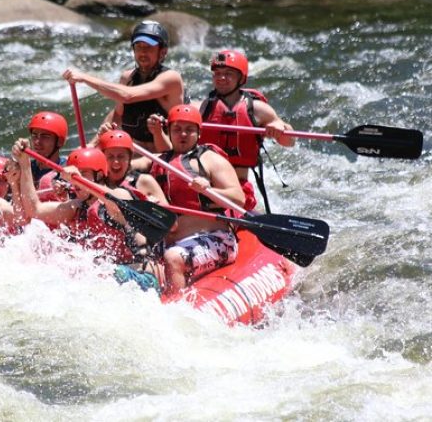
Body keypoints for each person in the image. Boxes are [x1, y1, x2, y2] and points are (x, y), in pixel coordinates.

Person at [12, 140, 162, 291]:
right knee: (61, 265)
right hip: (105, 278)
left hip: (143, 278)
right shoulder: (77, 207)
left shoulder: (118, 195)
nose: (76, 181)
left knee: (105, 270)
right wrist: (25, 165)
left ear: (99, 175)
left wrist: (81, 181)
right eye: (76, 175)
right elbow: (35, 210)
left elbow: (115, 201)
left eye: (84, 174)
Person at [136, 104, 246, 294]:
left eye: (189, 130)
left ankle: (175, 308)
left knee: (173, 258)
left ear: (199, 133)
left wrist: (209, 190)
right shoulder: (158, 160)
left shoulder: (210, 159)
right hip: (171, 239)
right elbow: (121, 163)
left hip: (216, 240)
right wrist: (111, 142)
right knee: (139, 260)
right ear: (169, 132)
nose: (183, 135)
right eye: (177, 129)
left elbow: (238, 199)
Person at [62, 20, 184, 151]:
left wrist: (84, 77)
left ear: (163, 52)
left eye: (148, 47)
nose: (142, 53)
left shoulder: (171, 78)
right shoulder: (128, 78)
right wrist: (93, 144)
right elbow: (118, 114)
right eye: (138, 47)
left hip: (166, 154)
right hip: (135, 151)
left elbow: (128, 96)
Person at [198, 49, 295, 212]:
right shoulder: (203, 107)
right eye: (218, 73)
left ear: (241, 78)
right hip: (204, 185)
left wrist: (280, 128)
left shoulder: (258, 109)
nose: (221, 78)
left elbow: (289, 141)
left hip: (238, 189)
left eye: (228, 73)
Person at [26, 111, 69, 200]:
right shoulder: (25, 167)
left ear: (59, 142)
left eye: (45, 136)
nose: (37, 142)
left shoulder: (67, 171)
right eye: (34, 136)